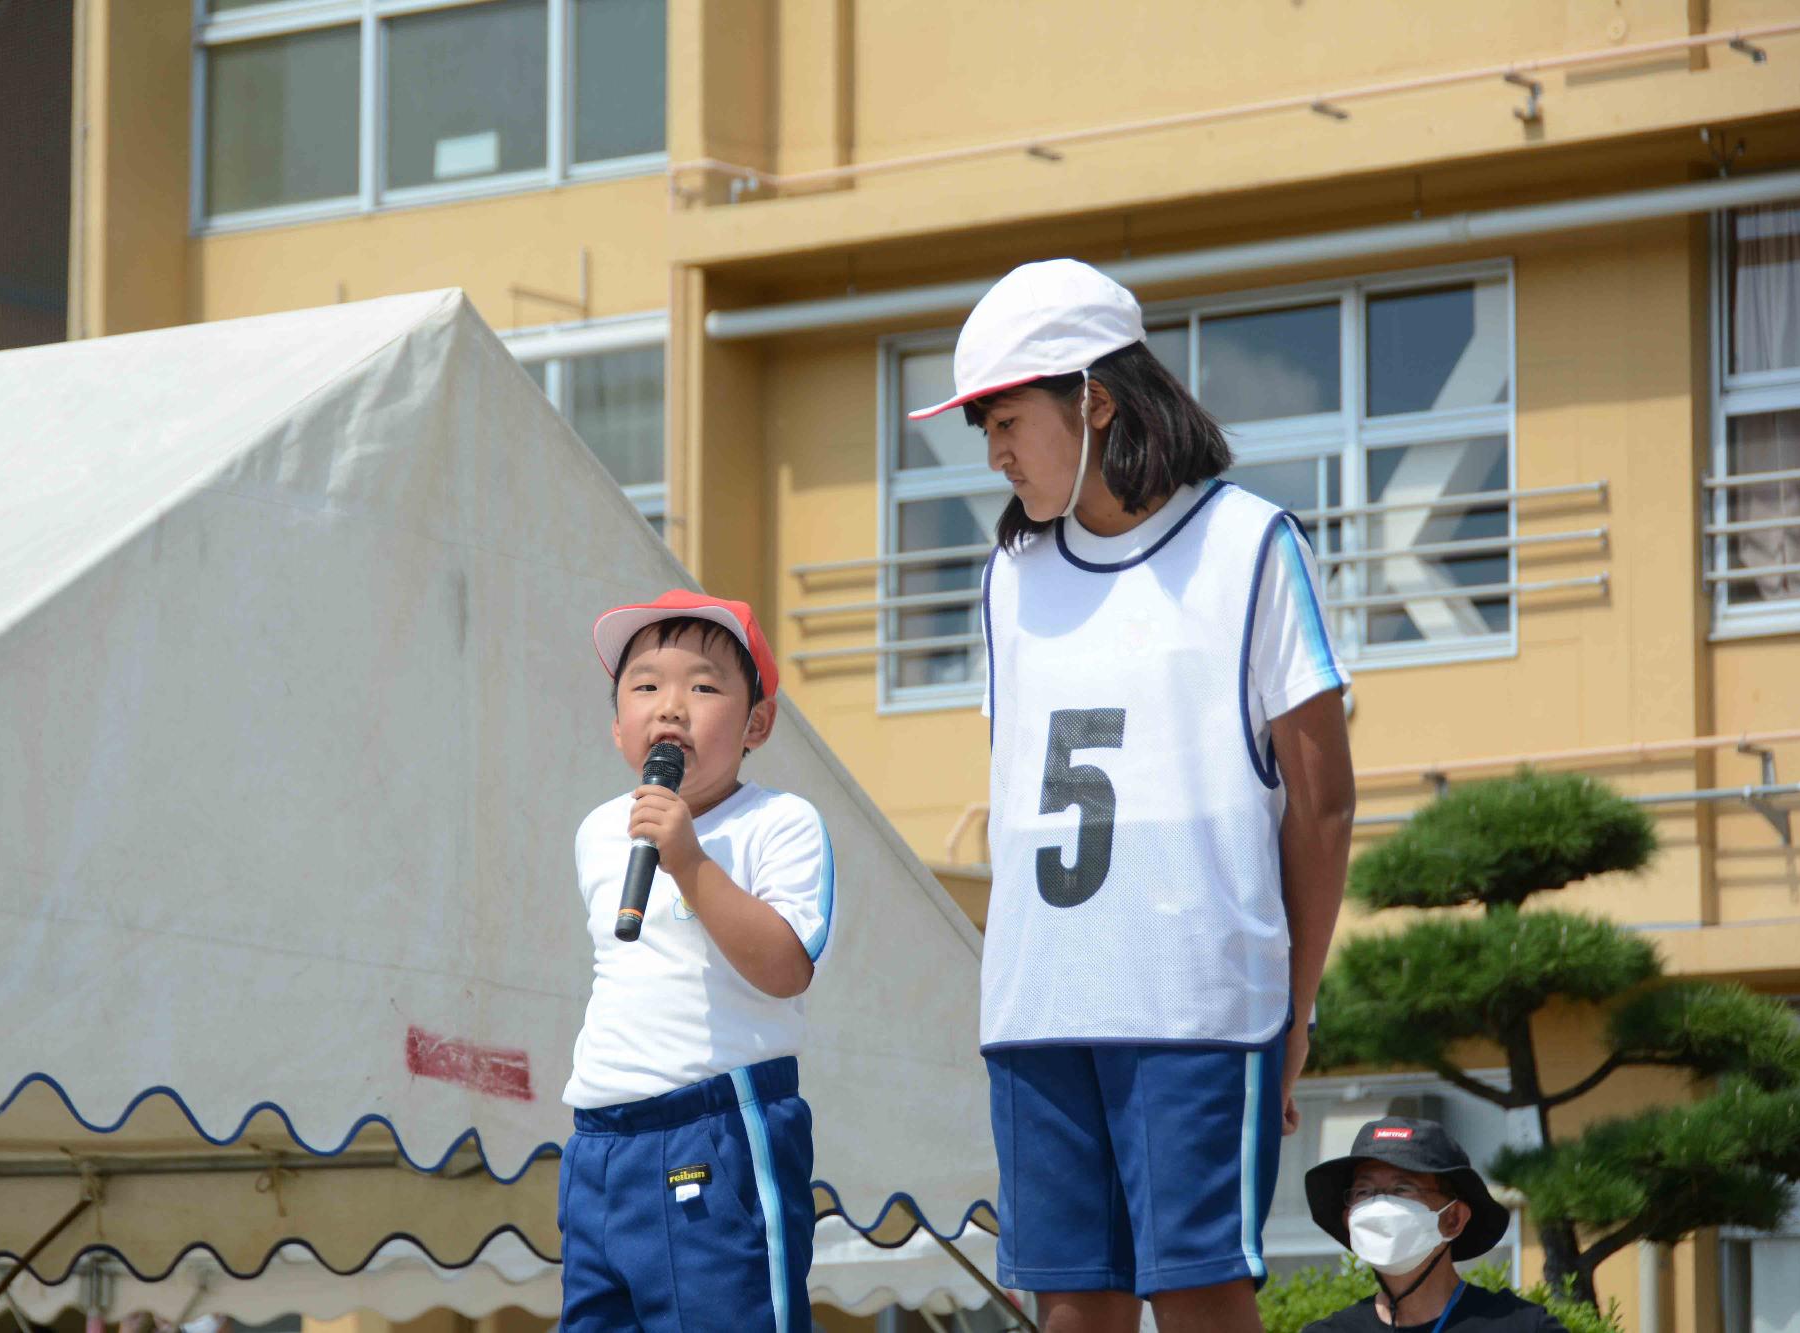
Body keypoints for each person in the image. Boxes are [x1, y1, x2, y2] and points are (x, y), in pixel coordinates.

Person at [909, 259, 1356, 1333]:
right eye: (980, 428)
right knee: (1069, 1307)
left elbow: (1323, 804)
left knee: (1197, 1297)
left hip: (1195, 1005)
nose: (992, 451)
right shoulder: (1005, 580)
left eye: (1005, 417)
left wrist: (1290, 1010)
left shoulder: (1249, 543)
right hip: (1035, 1005)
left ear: (1094, 400)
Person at [557, 589, 837, 1332]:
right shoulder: (597, 831)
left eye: (704, 686)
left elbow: (786, 967)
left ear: (758, 721)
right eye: (644, 686)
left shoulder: (779, 822)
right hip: (598, 1144)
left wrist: (688, 860)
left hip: (715, 1125)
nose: (670, 706)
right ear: (618, 724)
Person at [1303, 1117, 1564, 1333]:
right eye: (1364, 1191)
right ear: (1349, 1219)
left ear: (1453, 1219)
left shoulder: (1524, 1327)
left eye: (1402, 1189)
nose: (1379, 1205)